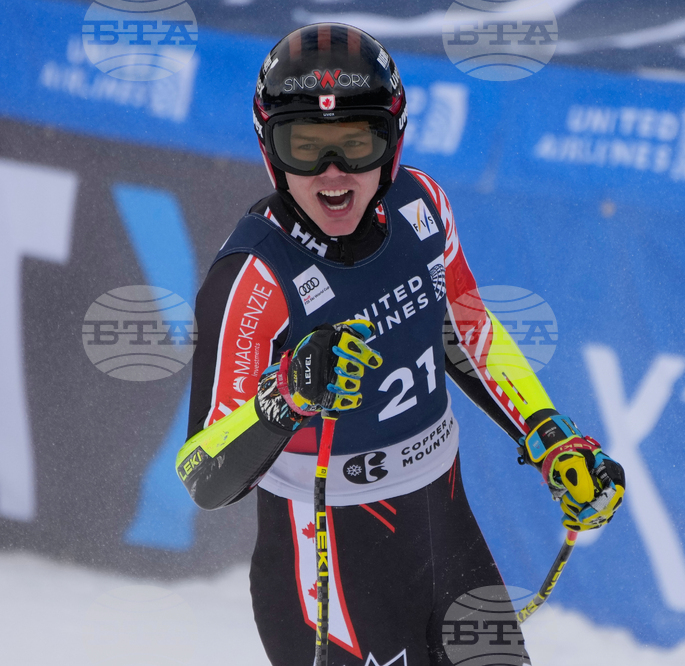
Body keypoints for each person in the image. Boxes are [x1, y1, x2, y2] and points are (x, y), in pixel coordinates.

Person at [175, 23, 625, 666]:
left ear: (394, 140)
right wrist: (288, 397)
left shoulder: (424, 204)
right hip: (328, 578)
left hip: (445, 535)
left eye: (356, 144)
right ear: (270, 149)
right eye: (306, 147)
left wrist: (549, 435)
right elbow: (202, 474)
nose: (333, 176)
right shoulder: (252, 279)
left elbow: (465, 329)